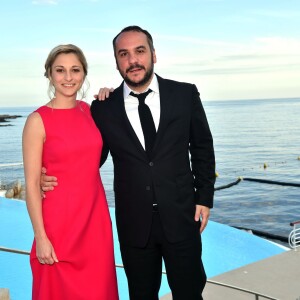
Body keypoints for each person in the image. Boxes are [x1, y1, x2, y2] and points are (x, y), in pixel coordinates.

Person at [43, 26, 215, 300]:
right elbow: (89, 158)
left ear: (153, 55)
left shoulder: (185, 95)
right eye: (124, 54)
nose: (133, 60)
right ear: (116, 62)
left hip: (182, 218)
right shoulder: (103, 108)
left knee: (190, 294)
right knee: (141, 295)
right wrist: (49, 175)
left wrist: (204, 197)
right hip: (134, 225)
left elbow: (202, 147)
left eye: (140, 51)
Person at [22, 44, 119, 300]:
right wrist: (40, 237)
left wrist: (109, 94)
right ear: (49, 75)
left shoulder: (91, 111)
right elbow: (32, 184)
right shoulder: (37, 120)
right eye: (60, 70)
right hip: (58, 226)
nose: (68, 77)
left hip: (95, 224)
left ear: (84, 74)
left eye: (75, 70)